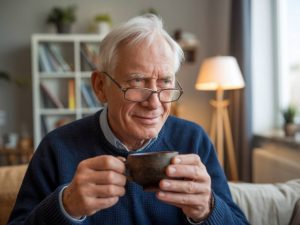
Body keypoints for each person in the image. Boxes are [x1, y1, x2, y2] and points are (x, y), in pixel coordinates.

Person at [8, 14, 249, 225]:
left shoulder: (193, 139)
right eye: (136, 83)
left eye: (165, 82)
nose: (154, 103)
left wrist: (207, 210)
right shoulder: (56, 147)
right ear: (100, 87)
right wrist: (65, 207)